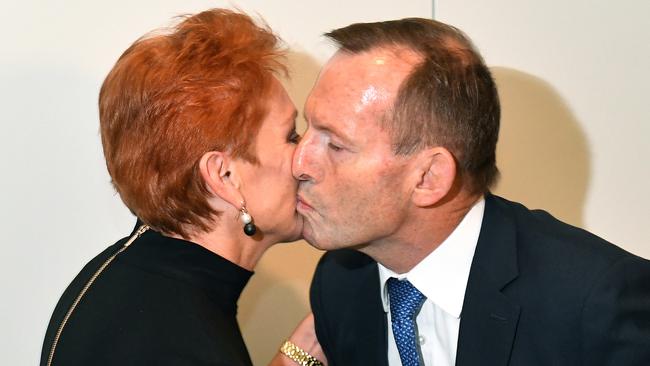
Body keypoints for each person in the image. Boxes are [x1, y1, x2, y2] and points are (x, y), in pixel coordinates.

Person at [287, 18, 650, 366]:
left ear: (429, 177)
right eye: (306, 129)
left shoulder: (597, 302)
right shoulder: (341, 281)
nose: (299, 162)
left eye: (335, 145)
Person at [41, 9, 304, 366]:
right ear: (224, 177)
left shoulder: (129, 275)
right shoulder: (179, 341)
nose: (308, 157)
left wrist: (303, 353)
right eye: (291, 136)